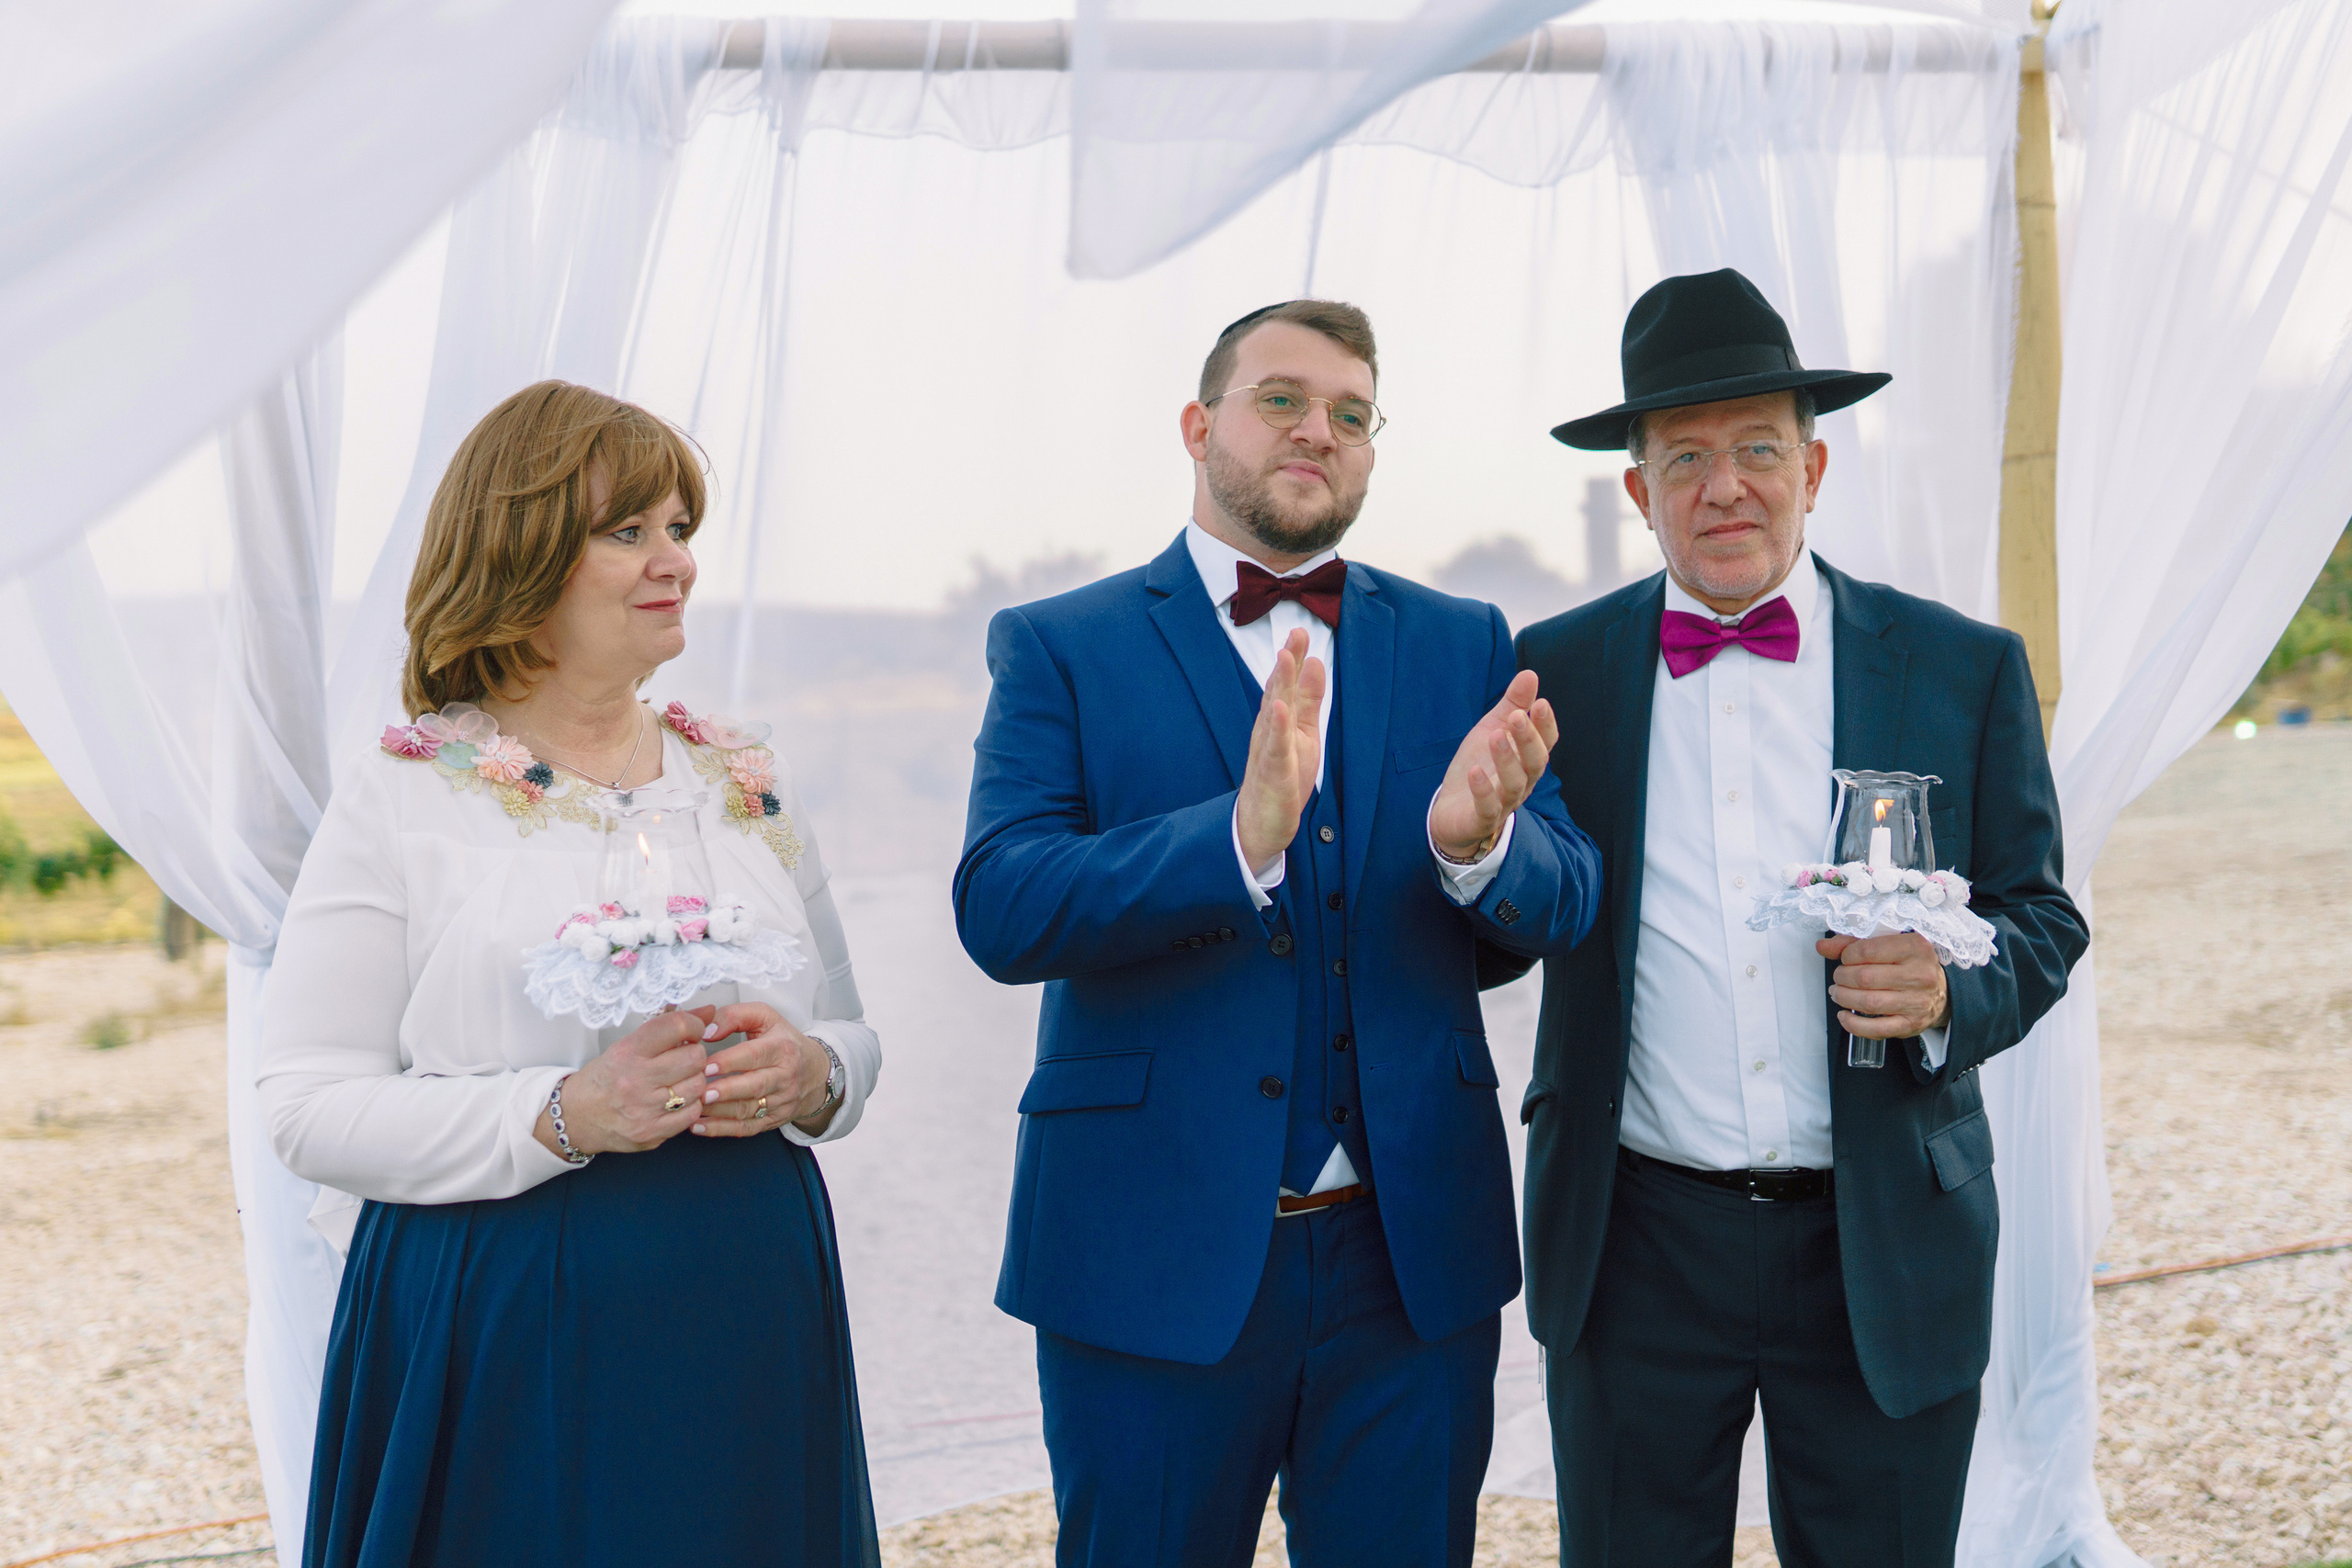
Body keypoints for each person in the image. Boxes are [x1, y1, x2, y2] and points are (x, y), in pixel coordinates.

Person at [954, 299, 1603, 1566]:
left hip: (1411, 1266)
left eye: (1352, 415)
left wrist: (1479, 849)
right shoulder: (1061, 646)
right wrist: (1234, 844)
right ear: (1199, 428)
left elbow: (1565, 891)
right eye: (1284, 400)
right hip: (1147, 1256)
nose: (1320, 431)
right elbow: (1003, 904)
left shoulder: (1462, 641)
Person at [1507, 269, 2088, 1567]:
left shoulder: (1960, 666)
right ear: (1639, 491)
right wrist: (1471, 852)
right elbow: (1510, 920)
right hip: (1634, 1241)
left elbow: (2041, 918)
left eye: (1759, 449)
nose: (1726, 486)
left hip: (1884, 1235)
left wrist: (1948, 992)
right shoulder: (1555, 673)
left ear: (1813, 470)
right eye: (1686, 457)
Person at [258, 381, 883, 1567]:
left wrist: (814, 1075)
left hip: (746, 1288)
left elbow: (851, 1035)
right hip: (502, 1300)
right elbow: (306, 1106)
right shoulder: (408, 793)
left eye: (680, 528)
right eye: (628, 531)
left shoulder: (742, 778)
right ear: (519, 553)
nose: (675, 561)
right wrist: (561, 1113)